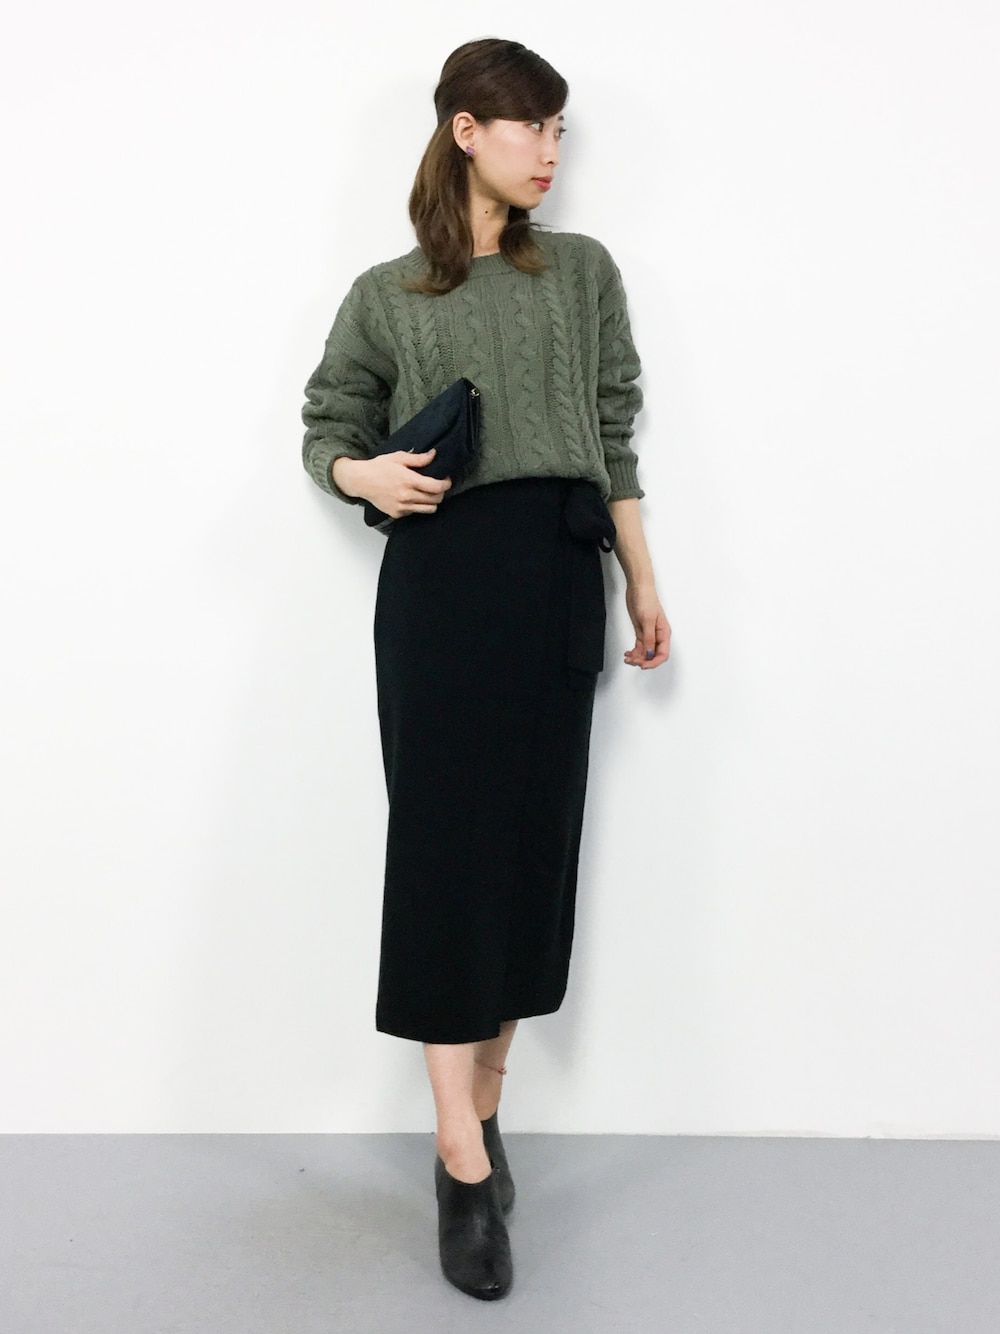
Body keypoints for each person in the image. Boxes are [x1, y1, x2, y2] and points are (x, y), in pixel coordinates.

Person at [301, 37, 671, 1302]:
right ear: (466, 129)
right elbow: (326, 423)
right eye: (532, 127)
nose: (551, 151)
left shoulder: (582, 271)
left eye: (561, 131)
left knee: (527, 850)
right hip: (445, 582)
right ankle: (458, 1156)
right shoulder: (387, 292)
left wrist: (641, 575)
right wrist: (363, 472)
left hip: (561, 571)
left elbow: (612, 428)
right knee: (445, 853)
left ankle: (489, 1104)